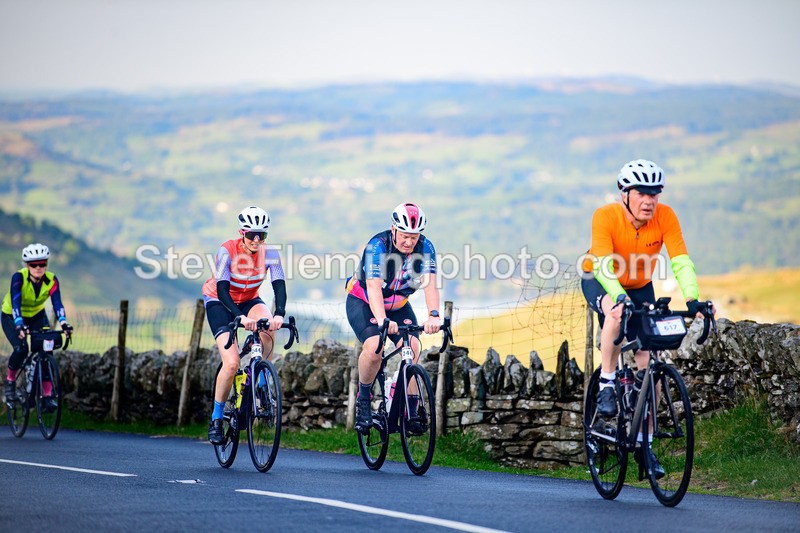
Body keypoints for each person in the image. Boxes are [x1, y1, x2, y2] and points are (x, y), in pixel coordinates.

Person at [581, 159, 714, 477]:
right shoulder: (605, 216)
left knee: (649, 366)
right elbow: (601, 264)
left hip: (641, 287)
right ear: (625, 194)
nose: (649, 200)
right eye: (642, 193)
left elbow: (680, 260)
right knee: (615, 315)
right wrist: (618, 299)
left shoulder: (665, 216)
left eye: (654, 193)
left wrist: (693, 298)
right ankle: (607, 383)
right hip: (600, 279)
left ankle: (644, 445)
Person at [345, 202, 441, 433]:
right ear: (393, 229)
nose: (409, 242)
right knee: (374, 347)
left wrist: (434, 316)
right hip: (365, 302)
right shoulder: (377, 246)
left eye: (414, 237)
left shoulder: (426, 247)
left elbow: (430, 285)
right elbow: (373, 286)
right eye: (405, 236)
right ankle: (364, 399)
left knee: (414, 346)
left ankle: (410, 407)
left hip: (399, 305)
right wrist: (381, 320)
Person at [202, 206, 287, 444]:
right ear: (242, 232)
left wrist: (279, 314)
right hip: (220, 301)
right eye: (252, 234)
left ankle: (260, 382)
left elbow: (279, 284)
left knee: (268, 327)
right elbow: (222, 289)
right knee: (231, 364)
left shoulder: (270, 253)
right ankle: (217, 418)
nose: (257, 239)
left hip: (249, 298)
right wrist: (239, 317)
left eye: (262, 234)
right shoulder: (226, 251)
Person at [2, 243, 72, 410]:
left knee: (47, 350)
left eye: (42, 264)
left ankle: (47, 396)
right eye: (34, 264)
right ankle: (10, 382)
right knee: (21, 349)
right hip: (12, 315)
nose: (38, 268)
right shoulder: (18, 278)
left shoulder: (52, 280)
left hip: (37, 316)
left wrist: (64, 323)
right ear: (27, 265)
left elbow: (57, 303)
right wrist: (19, 324)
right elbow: (16, 302)